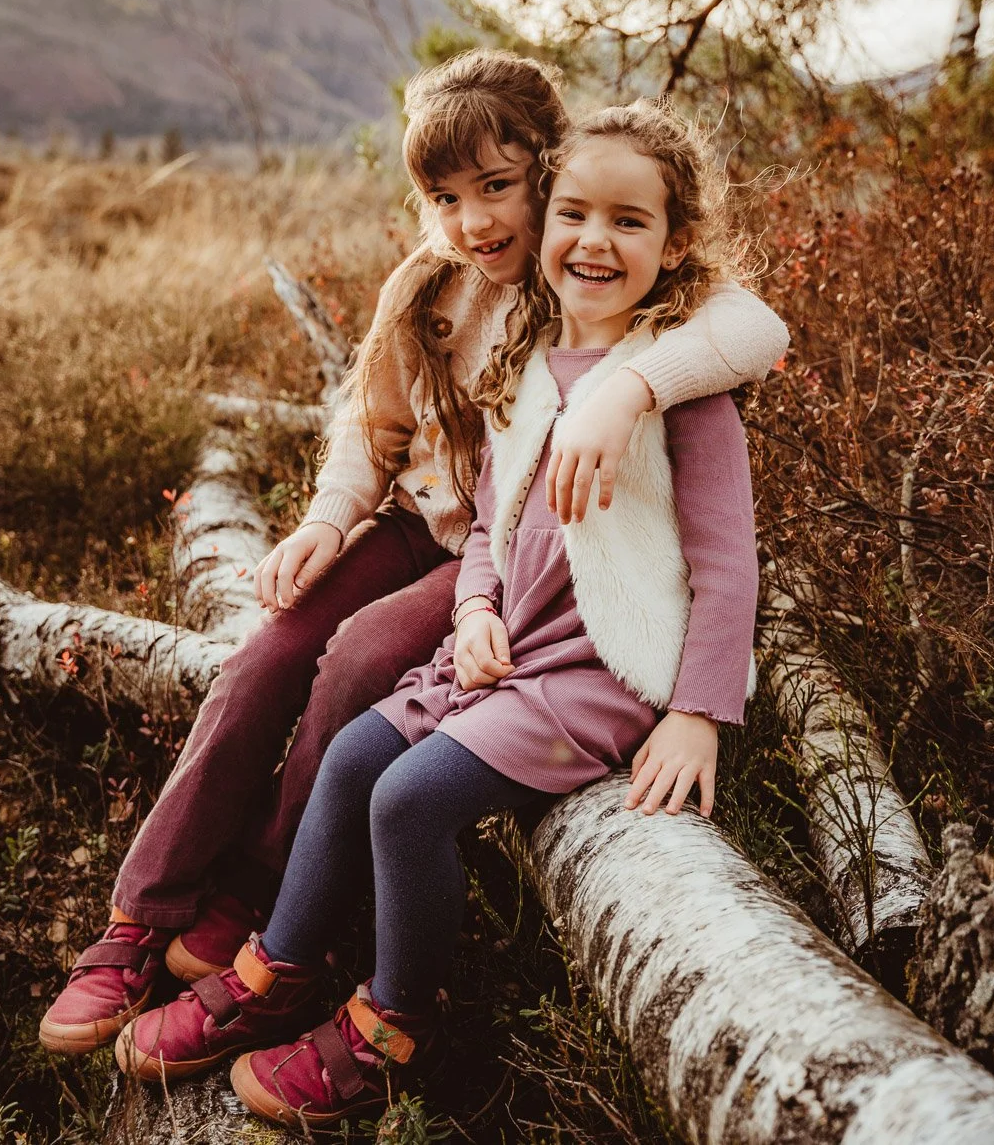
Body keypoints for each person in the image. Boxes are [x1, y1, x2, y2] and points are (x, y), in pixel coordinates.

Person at [39, 56, 787, 1057]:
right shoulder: (434, 283)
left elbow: (752, 325)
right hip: (425, 529)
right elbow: (371, 418)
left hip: (497, 565)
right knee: (265, 656)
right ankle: (144, 914)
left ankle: (264, 889)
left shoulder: (595, 279)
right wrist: (322, 520)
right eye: (444, 198)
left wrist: (626, 390)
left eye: (496, 189)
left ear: (544, 170)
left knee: (354, 659)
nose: (475, 221)